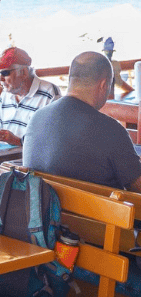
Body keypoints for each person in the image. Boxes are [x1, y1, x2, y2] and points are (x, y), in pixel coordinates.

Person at [23, 50, 141, 191]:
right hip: (97, 212)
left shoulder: (36, 117)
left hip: (42, 210)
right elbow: (137, 187)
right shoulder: (110, 129)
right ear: (103, 85)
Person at [0, 47, 60, 147]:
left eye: (5, 73)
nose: (0, 79)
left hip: (28, 161)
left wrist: (16, 141)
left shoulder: (50, 94)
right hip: (4, 158)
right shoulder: (6, 94)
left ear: (24, 72)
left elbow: (51, 140)